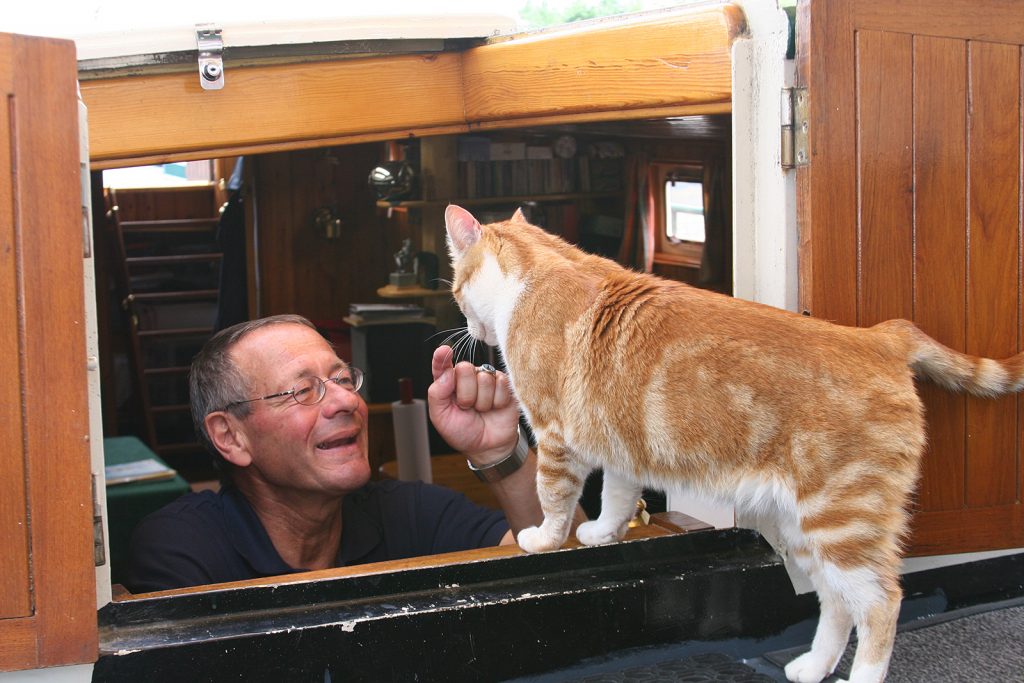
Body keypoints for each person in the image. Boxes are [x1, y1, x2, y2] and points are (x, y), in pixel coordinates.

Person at [125, 314, 548, 593]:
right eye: (303, 391)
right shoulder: (184, 555)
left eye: (343, 379)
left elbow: (572, 572)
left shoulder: (412, 513)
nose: (345, 402)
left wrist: (500, 452)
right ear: (231, 437)